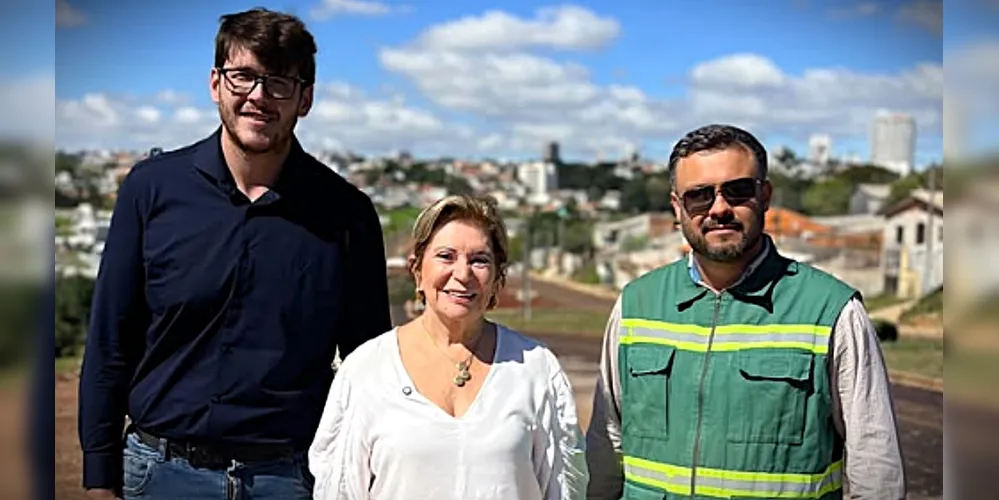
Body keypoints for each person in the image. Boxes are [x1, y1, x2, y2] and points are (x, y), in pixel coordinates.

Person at [78, 8, 392, 500]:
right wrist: (99, 480)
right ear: (215, 84)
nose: (259, 97)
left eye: (279, 83)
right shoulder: (150, 190)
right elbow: (109, 342)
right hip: (160, 475)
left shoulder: (347, 214)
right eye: (243, 76)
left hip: (290, 479)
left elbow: (367, 364)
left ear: (304, 99)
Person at [585, 124, 907, 499]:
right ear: (677, 207)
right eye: (699, 196)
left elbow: (875, 464)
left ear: (765, 195)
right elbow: (606, 444)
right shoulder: (635, 304)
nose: (719, 208)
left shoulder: (831, 311)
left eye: (737, 191)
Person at [308, 194, 589, 499]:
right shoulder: (366, 370)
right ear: (417, 268)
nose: (463, 274)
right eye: (446, 256)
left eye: (479, 260)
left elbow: (565, 490)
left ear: (498, 277)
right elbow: (339, 491)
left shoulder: (536, 369)